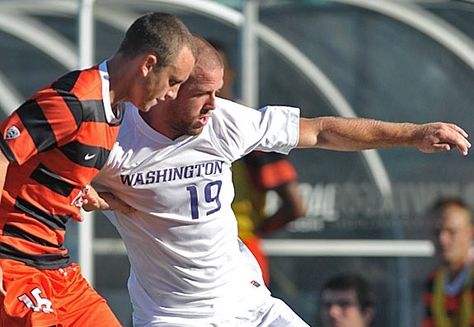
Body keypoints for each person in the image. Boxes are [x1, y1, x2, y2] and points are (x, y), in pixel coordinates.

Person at [85, 37, 470, 326]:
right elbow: (42, 184)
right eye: (203, 93)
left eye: (218, 92)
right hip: (173, 316)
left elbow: (321, 132)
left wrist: (413, 134)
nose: (214, 105)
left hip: (246, 303)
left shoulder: (225, 121)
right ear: (171, 87)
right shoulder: (113, 140)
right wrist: (80, 192)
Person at [0, 12, 195, 326]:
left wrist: (89, 195)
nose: (172, 94)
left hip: (55, 266)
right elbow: (2, 153)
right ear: (147, 65)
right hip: (13, 263)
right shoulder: (75, 101)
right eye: (173, 81)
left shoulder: (114, 110)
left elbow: (49, 168)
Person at [209, 39, 306, 285]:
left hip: (238, 247)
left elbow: (295, 205)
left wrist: (254, 230)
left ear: (229, 75)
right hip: (199, 249)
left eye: (214, 71)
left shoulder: (249, 131)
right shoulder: (181, 132)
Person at [421, 197, 474, 327]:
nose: (442, 239)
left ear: (470, 232)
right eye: (436, 232)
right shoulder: (434, 281)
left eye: (452, 232)